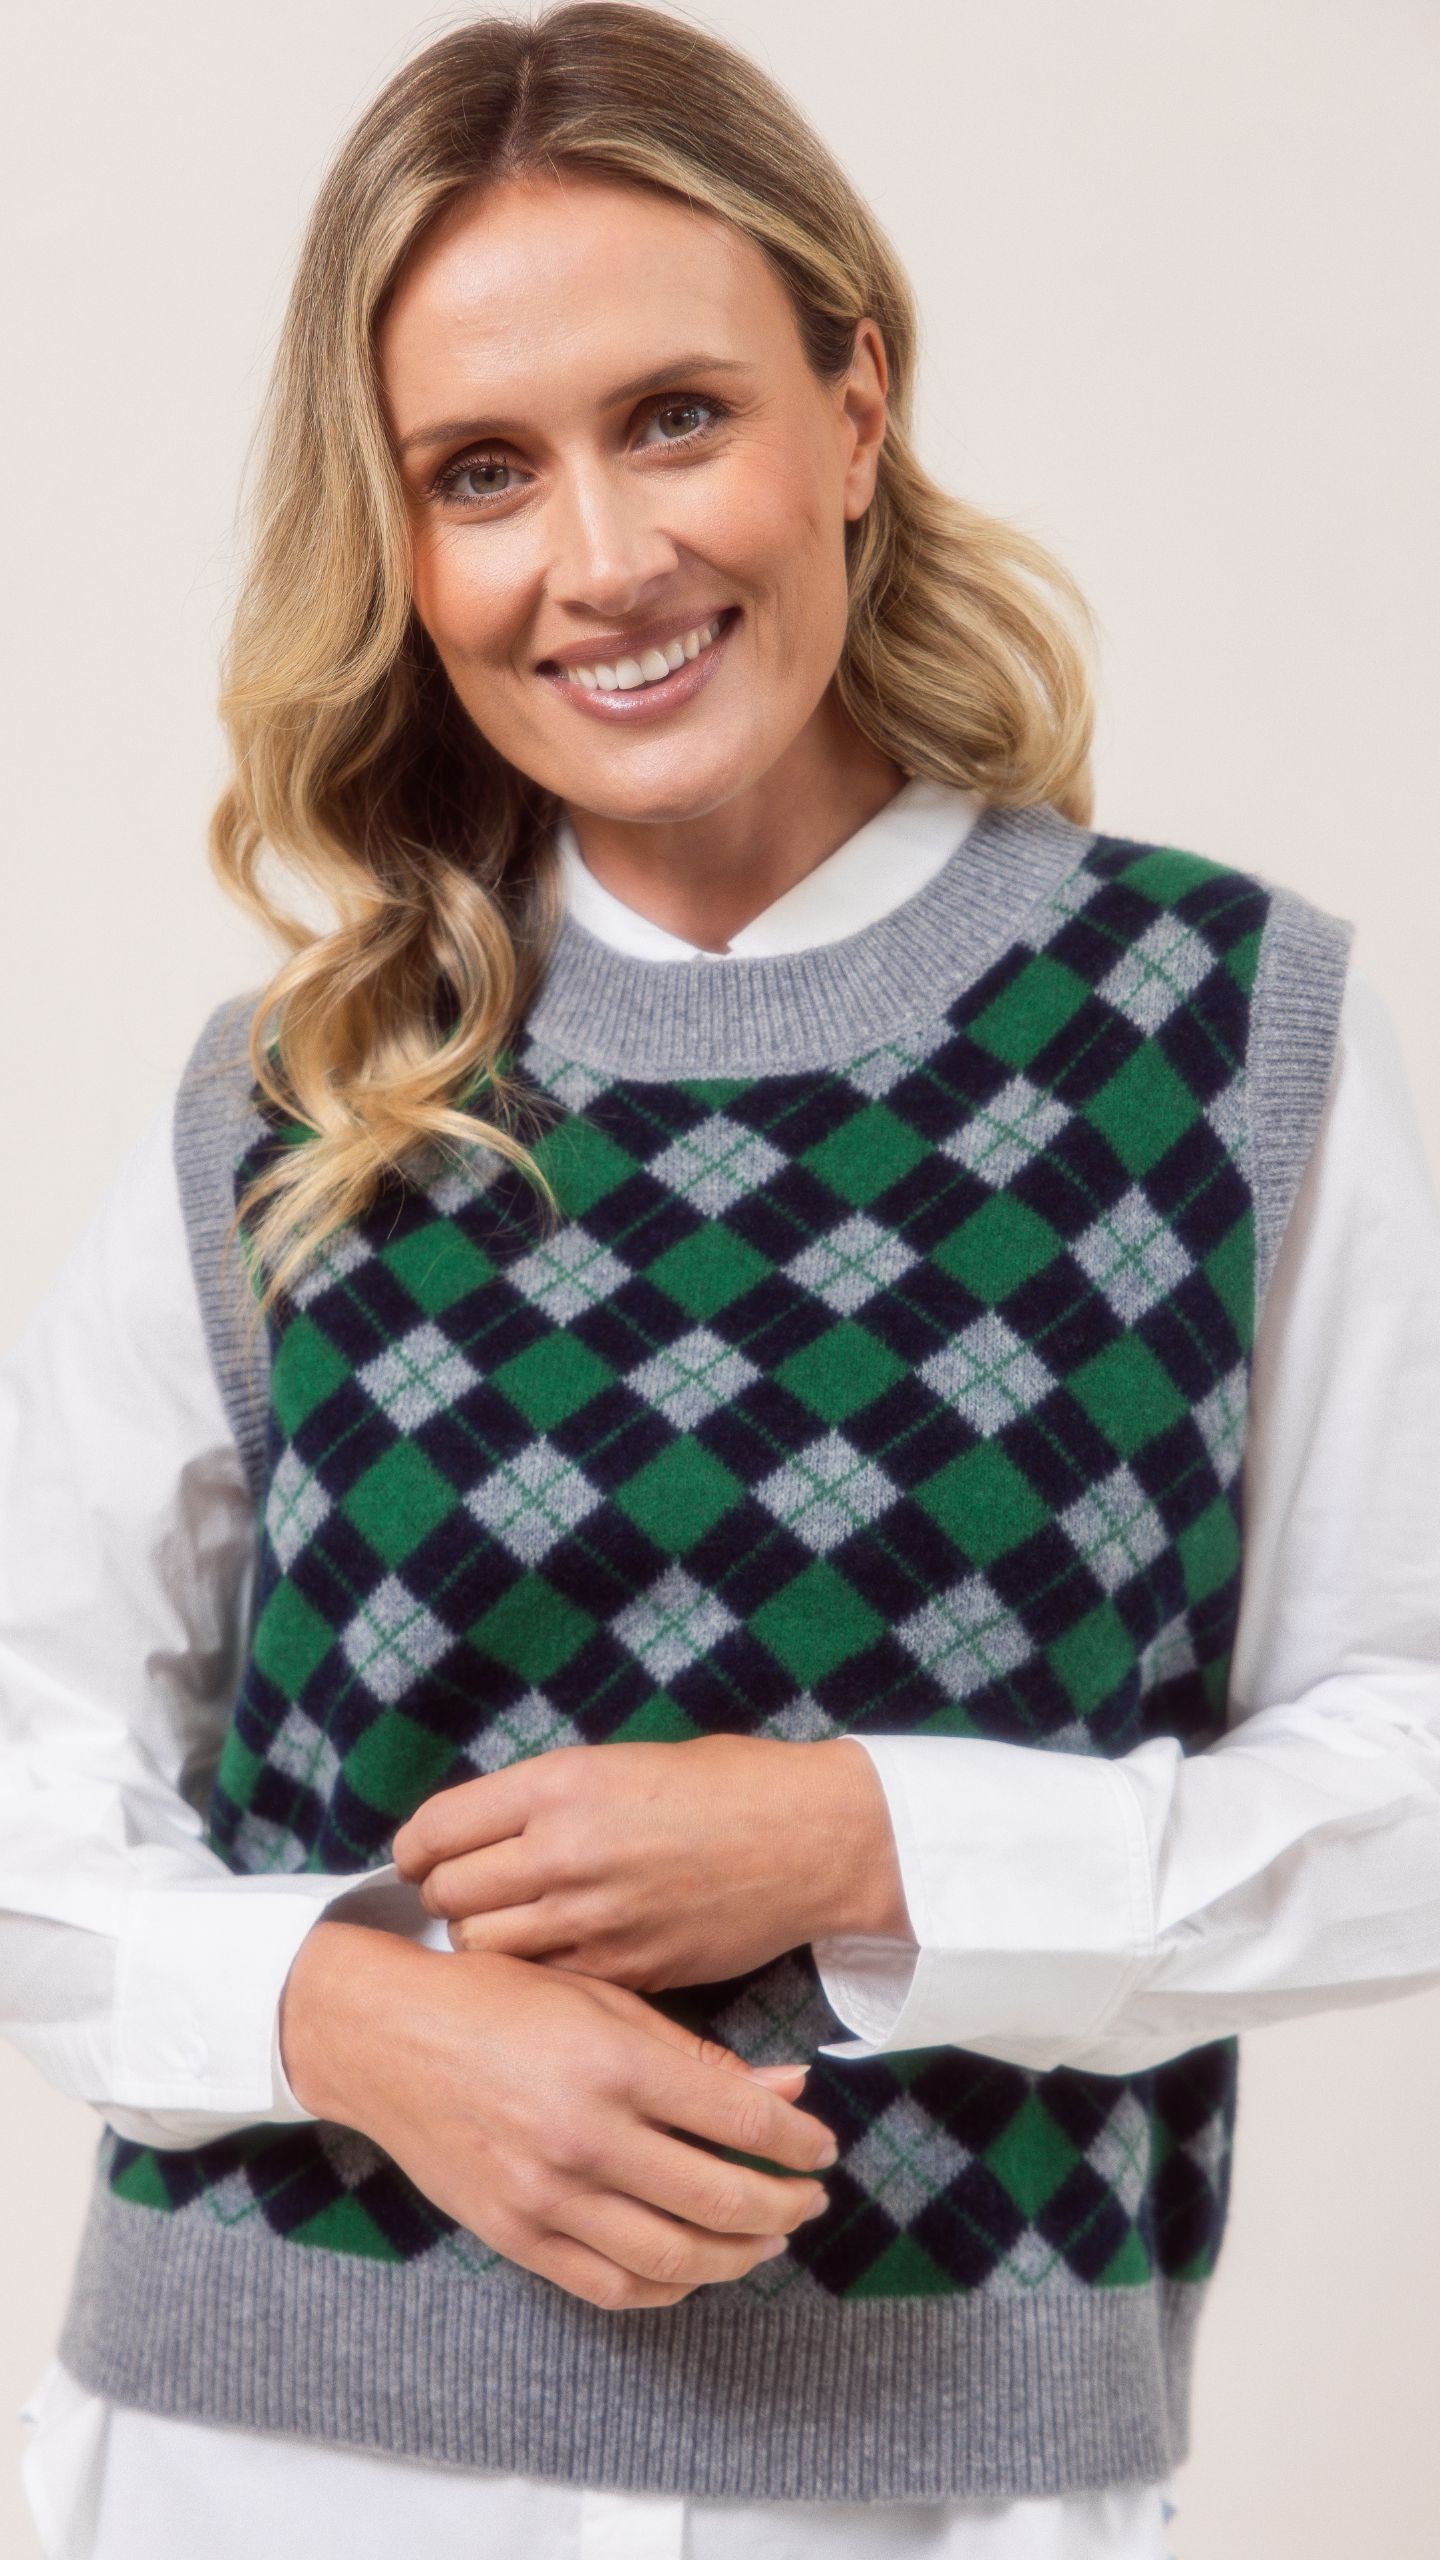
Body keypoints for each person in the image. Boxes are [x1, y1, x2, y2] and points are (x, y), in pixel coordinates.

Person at [5, 6, 1439, 2555]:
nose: (600, 559)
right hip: (265, 2466)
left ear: (854, 408)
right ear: (401, 541)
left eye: (675, 416)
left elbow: (1414, 1764)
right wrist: (354, 2015)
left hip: (936, 2494)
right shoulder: (307, 1094)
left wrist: (866, 1838)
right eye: (480, 470)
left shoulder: (1218, 1033)